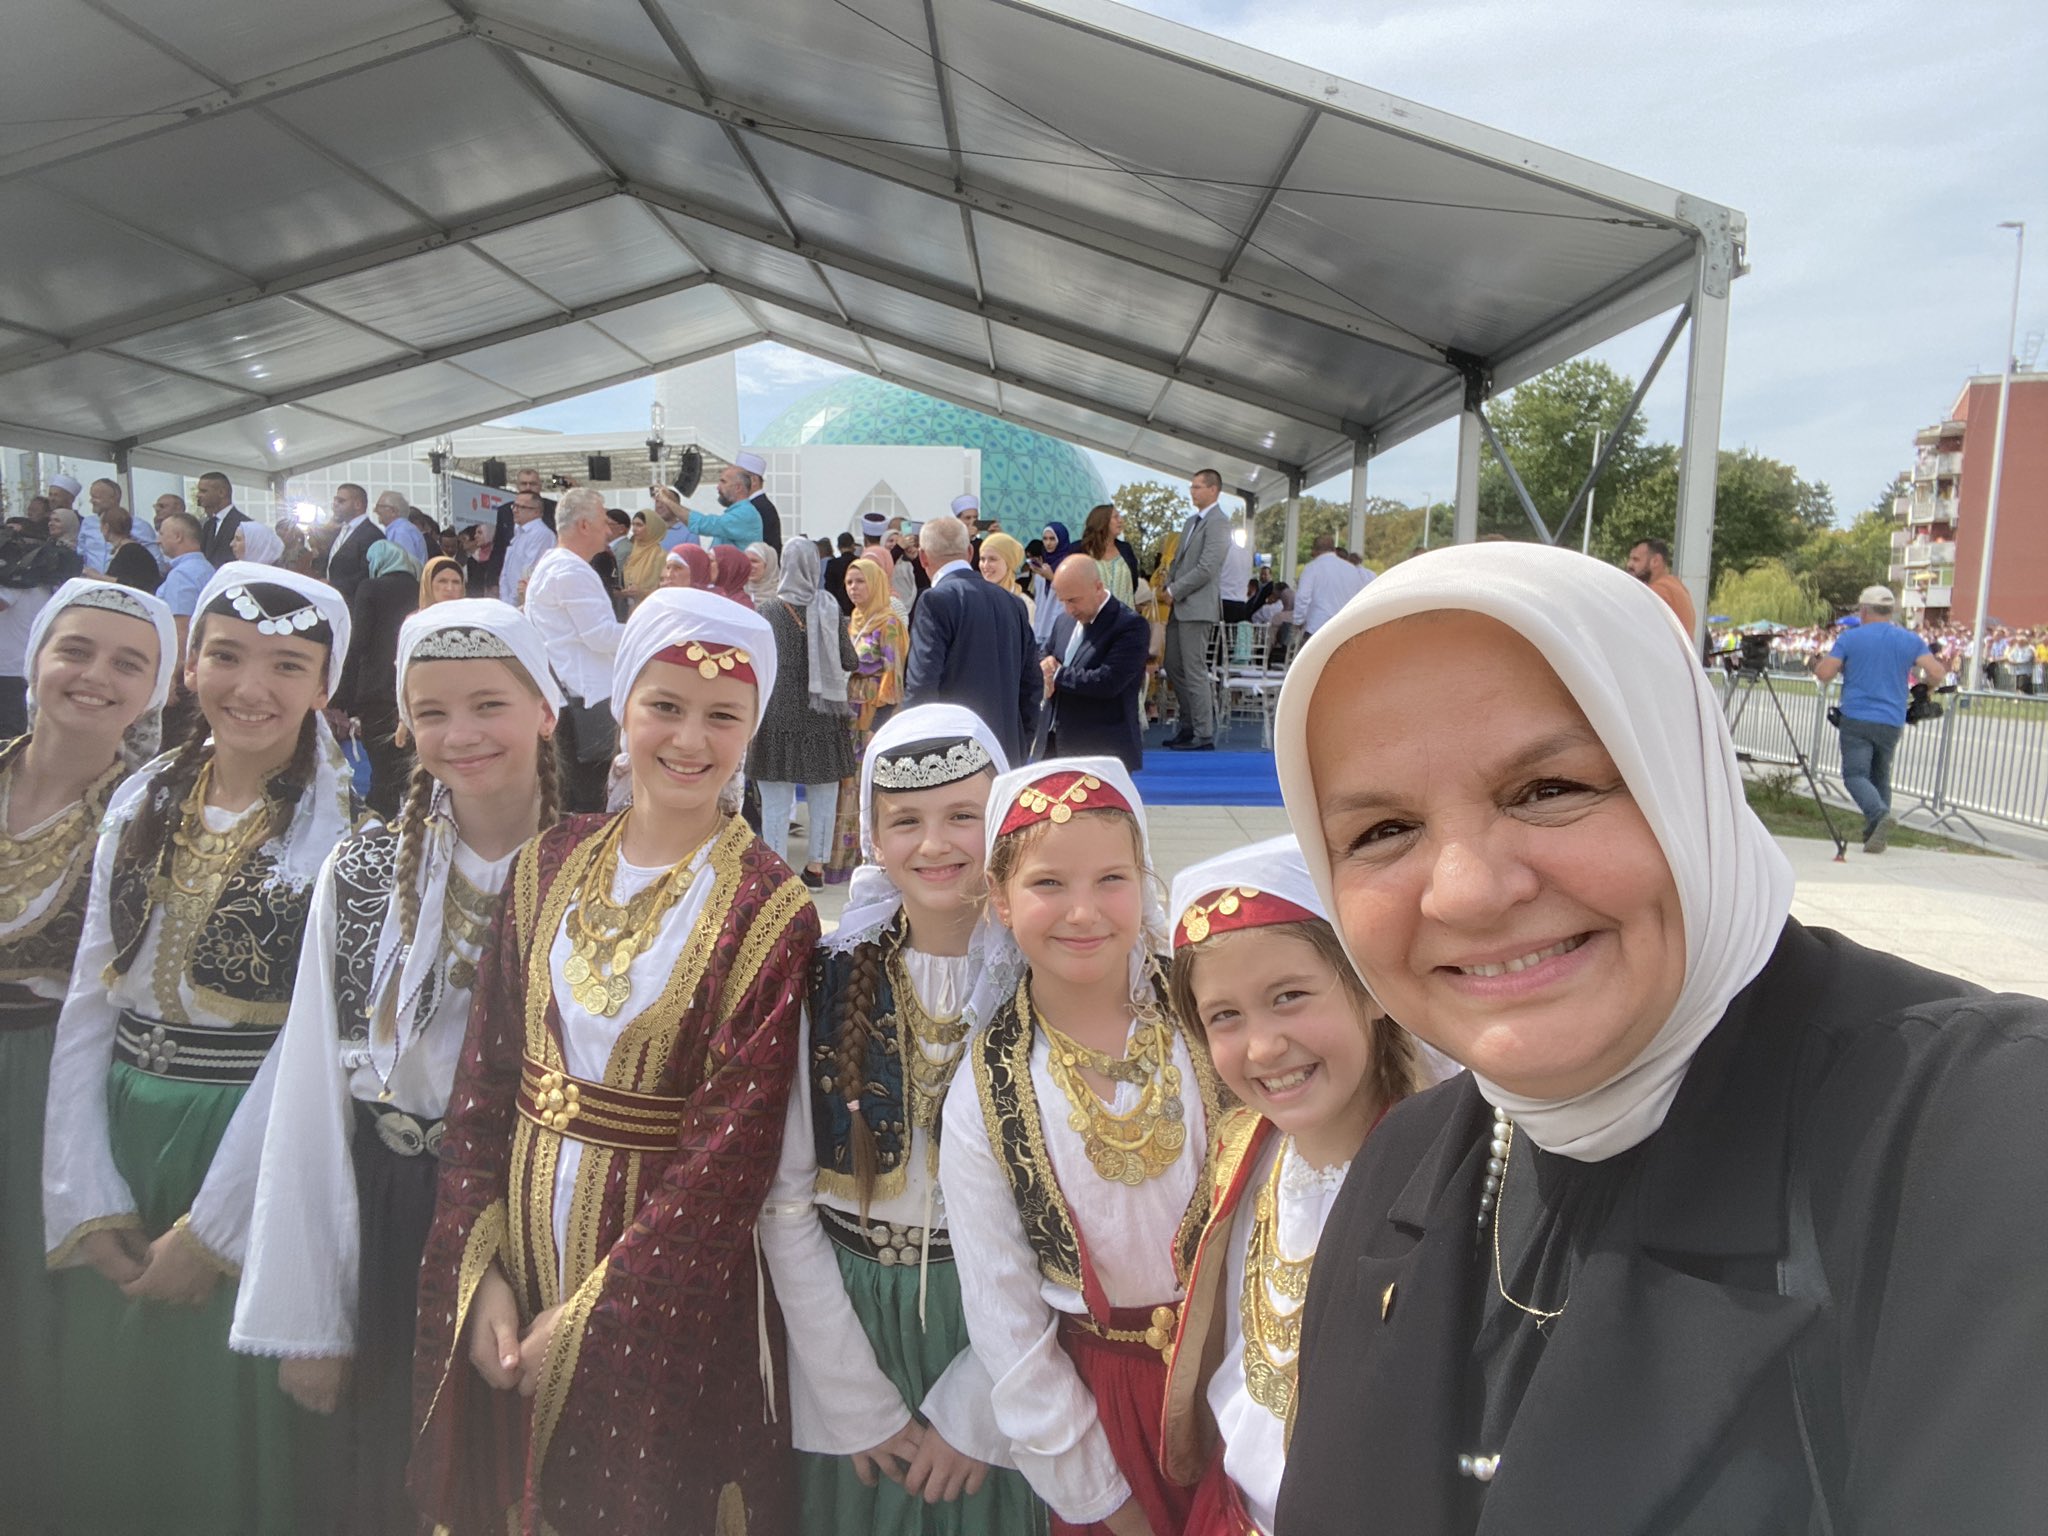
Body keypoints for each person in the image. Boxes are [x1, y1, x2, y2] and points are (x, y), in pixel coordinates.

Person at [1269, 541, 2048, 1535]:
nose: (1464, 892)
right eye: (1380, 832)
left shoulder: (1982, 1145)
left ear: (1686, 782)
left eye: (1548, 789)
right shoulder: (1403, 1163)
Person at [408, 587, 820, 1536]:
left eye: (722, 716)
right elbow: (485, 1085)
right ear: (622, 708)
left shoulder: (770, 907)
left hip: (664, 1293)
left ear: (753, 730)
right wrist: (481, 1271)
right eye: (664, 706)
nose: (690, 739)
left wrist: (601, 1315)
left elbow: (726, 1160)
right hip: (517, 1260)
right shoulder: (550, 860)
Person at [232, 600, 561, 1534]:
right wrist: (310, 1315)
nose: (462, 734)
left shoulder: (603, 871)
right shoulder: (363, 870)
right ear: (405, 727)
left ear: (545, 711)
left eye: (489, 705)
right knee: (387, 1480)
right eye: (433, 712)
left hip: (542, 1222)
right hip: (392, 1215)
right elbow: (310, 1097)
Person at [43, 563, 357, 1535]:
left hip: (253, 1152)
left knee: (214, 1427)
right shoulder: (140, 796)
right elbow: (89, 1001)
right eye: (226, 656)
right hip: (121, 1134)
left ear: (324, 686)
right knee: (113, 1417)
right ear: (189, 667)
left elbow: (312, 1055)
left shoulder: (347, 839)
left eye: (287, 665)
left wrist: (214, 1229)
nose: (250, 687)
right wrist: (85, 1192)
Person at [760, 704, 1042, 1536]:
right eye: (906, 821)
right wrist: (853, 1401)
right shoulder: (823, 977)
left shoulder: (1050, 985)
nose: (935, 844)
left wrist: (982, 1403)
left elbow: (1069, 1222)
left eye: (963, 816)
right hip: (846, 1324)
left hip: (998, 1329)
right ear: (872, 838)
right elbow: (785, 1204)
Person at [942, 758, 1220, 1536]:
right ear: (999, 898)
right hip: (1104, 1410)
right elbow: (1007, 1324)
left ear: (1145, 880)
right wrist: (1105, 1501)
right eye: (1048, 884)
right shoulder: (987, 1094)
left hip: (1243, 1374)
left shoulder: (1211, 1016)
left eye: (1111, 879)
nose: (1084, 911)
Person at [1158, 836, 1423, 1535]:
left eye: (1290, 997)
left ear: (1368, 988)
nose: (1264, 1046)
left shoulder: (1438, 1179)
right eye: (1225, 1016)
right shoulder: (1242, 1151)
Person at [1, 579, 174, 1535]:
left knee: (35, 1335)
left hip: (50, 1095)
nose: (95, 675)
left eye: (127, 662)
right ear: (35, 657)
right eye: (75, 649)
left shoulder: (153, 818)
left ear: (155, 690)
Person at [748, 540, 858, 890]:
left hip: (776, 716)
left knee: (776, 800)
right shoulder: (828, 607)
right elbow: (850, 660)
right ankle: (815, 869)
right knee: (823, 796)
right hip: (822, 717)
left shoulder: (767, 612)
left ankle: (777, 872)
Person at [1812, 584, 1948, 853]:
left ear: (1864, 611)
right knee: (1880, 775)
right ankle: (1876, 835)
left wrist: (1821, 664)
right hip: (1892, 718)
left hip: (1857, 716)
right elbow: (1937, 672)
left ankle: (1878, 814)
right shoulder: (1909, 639)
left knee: (1855, 774)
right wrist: (1926, 688)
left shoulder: (1851, 638)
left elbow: (1825, 673)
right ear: (1890, 611)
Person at [904, 516, 1040, 766]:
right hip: (1006, 754)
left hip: (951, 757)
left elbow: (922, 684)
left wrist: (917, 752)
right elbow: (1032, 685)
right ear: (969, 552)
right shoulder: (1013, 603)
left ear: (923, 557)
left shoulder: (934, 600)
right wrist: (1019, 746)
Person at [522, 487, 624, 816]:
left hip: (570, 699)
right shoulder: (572, 570)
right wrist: (650, 629)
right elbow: (601, 636)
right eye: (604, 521)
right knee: (591, 805)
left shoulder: (552, 564)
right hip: (585, 703)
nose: (608, 530)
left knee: (571, 802)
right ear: (583, 525)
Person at [332, 539, 423, 818]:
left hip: (376, 689)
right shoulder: (420, 589)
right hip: (412, 687)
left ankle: (380, 825)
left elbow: (358, 642)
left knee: (382, 769)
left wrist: (341, 696)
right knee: (407, 765)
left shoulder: (371, 588)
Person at [836, 553, 911, 879]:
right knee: (847, 784)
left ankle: (871, 855)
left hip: (870, 715)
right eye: (849, 582)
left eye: (860, 581)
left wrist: (877, 726)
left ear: (876, 583)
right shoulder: (851, 621)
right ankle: (843, 858)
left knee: (867, 785)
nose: (853, 588)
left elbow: (893, 679)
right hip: (847, 713)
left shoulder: (888, 624)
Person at [1042, 556, 1150, 770]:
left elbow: (1109, 681)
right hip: (1054, 747)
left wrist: (1056, 674)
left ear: (1098, 587)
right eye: (1062, 601)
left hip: (1101, 751)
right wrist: (1044, 664)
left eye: (1073, 600)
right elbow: (1046, 653)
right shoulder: (1064, 621)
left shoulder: (1130, 626)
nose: (1068, 609)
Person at [1163, 471, 1231, 751]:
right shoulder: (1191, 522)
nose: (1192, 491)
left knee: (1194, 669)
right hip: (1179, 606)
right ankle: (1188, 725)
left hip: (1197, 607)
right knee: (1173, 665)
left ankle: (1203, 733)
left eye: (1198, 487)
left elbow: (1207, 567)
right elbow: (1180, 562)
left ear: (1213, 490)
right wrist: (1169, 582)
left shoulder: (1219, 523)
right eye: (1191, 486)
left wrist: (1174, 590)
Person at [1291, 533, 1371, 644]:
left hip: (1317, 627)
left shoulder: (1312, 568)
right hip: (1344, 628)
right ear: (1333, 549)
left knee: (1315, 656)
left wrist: (1298, 621)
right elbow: (1360, 597)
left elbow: (1303, 597)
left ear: (1314, 550)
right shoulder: (1351, 569)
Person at [324, 483, 386, 605]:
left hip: (355, 603)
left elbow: (367, 573)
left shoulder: (372, 534)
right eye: (335, 500)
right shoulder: (339, 531)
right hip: (334, 601)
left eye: (341, 501)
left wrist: (333, 585)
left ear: (358, 505)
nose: (335, 504)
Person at [1624, 536, 1697, 638]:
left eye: (1636, 560)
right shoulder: (1675, 586)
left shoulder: (1658, 591)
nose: (1629, 564)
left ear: (1655, 561)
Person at [497, 490, 555, 606]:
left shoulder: (541, 534)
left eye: (522, 507)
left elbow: (528, 573)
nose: (515, 510)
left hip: (524, 604)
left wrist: (512, 603)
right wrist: (505, 599)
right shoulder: (519, 532)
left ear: (536, 512)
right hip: (509, 603)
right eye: (514, 506)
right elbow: (506, 571)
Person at [45, 474, 108, 574]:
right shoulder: (45, 522)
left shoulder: (83, 523)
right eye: (50, 495)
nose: (52, 499)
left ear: (70, 499)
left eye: (56, 495)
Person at [1078, 505, 1136, 608]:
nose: (1120, 520)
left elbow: (1134, 582)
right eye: (1115, 517)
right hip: (1094, 615)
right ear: (1102, 521)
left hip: (1124, 615)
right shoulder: (1082, 550)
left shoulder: (1125, 549)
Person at [192, 472, 252, 567]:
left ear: (222, 493)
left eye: (203, 491)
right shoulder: (208, 525)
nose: (198, 495)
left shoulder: (244, 525)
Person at [100, 505, 162, 594]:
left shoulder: (130, 551)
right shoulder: (129, 549)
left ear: (106, 527)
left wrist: (96, 576)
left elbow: (128, 584)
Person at [979, 531, 1036, 623]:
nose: (985, 565)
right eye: (982, 559)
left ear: (1009, 562)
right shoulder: (974, 599)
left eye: (993, 559)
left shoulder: (1025, 604)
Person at [620, 511, 667, 604]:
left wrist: (642, 593)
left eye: (639, 525)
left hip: (652, 606)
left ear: (652, 528)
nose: (634, 529)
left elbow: (666, 590)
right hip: (630, 608)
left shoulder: (660, 556)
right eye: (633, 524)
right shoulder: (633, 553)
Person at [375, 490, 430, 566]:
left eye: (380, 507)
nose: (375, 510)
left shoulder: (400, 531)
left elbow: (404, 565)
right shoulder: (402, 529)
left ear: (393, 511)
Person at [745, 538, 782, 609]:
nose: (749, 566)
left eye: (754, 561)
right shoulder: (739, 593)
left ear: (768, 565)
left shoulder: (781, 598)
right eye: (747, 560)